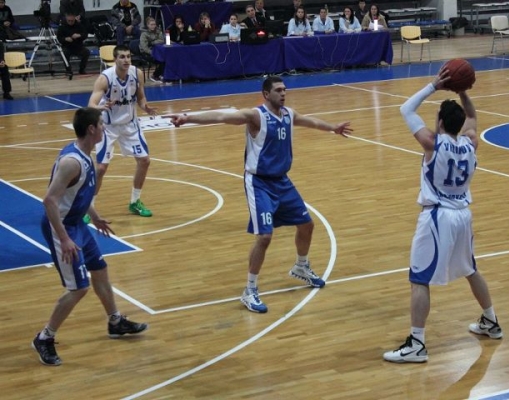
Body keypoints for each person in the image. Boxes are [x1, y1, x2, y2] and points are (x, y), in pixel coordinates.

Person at [166, 77, 352, 313]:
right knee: (264, 237)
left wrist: (332, 127)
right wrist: (188, 117)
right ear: (266, 94)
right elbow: (222, 116)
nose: (283, 94)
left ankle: (301, 267)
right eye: (278, 90)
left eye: (285, 90)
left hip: (282, 181)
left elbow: (310, 122)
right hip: (259, 182)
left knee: (307, 225)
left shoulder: (289, 114)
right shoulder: (256, 116)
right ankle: (249, 290)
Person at [383, 68, 502, 364]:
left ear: (438, 122)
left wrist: (435, 86)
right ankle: (491, 321)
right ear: (460, 124)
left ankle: (417, 344)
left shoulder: (431, 143)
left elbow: (405, 108)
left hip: (438, 217)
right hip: (463, 214)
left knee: (419, 278)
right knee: (471, 269)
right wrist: (462, 91)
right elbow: (473, 119)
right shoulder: (470, 142)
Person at [32, 107, 148, 367]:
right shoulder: (71, 162)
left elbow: (79, 194)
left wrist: (94, 217)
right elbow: (49, 200)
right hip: (60, 227)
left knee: (100, 269)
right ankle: (44, 337)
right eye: (100, 124)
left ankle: (115, 321)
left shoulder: (83, 155)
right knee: (78, 288)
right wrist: (64, 238)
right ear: (92, 129)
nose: (104, 128)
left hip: (77, 224)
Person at [88, 45, 158, 217]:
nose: (126, 60)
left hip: (130, 125)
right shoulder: (105, 78)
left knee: (145, 161)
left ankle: (135, 202)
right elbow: (91, 104)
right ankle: (87, 207)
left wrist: (145, 108)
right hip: (108, 127)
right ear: (115, 59)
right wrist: (100, 107)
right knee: (101, 169)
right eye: (122, 57)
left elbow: (141, 97)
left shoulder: (137, 73)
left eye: (128, 56)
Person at [139, 16, 165, 82]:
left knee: (167, 58)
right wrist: (153, 53)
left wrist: (153, 42)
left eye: (154, 24)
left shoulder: (158, 31)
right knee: (162, 60)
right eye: (151, 24)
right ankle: (154, 75)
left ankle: (162, 74)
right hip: (146, 53)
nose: (153, 26)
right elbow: (145, 48)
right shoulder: (144, 34)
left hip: (157, 51)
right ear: (148, 25)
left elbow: (162, 40)